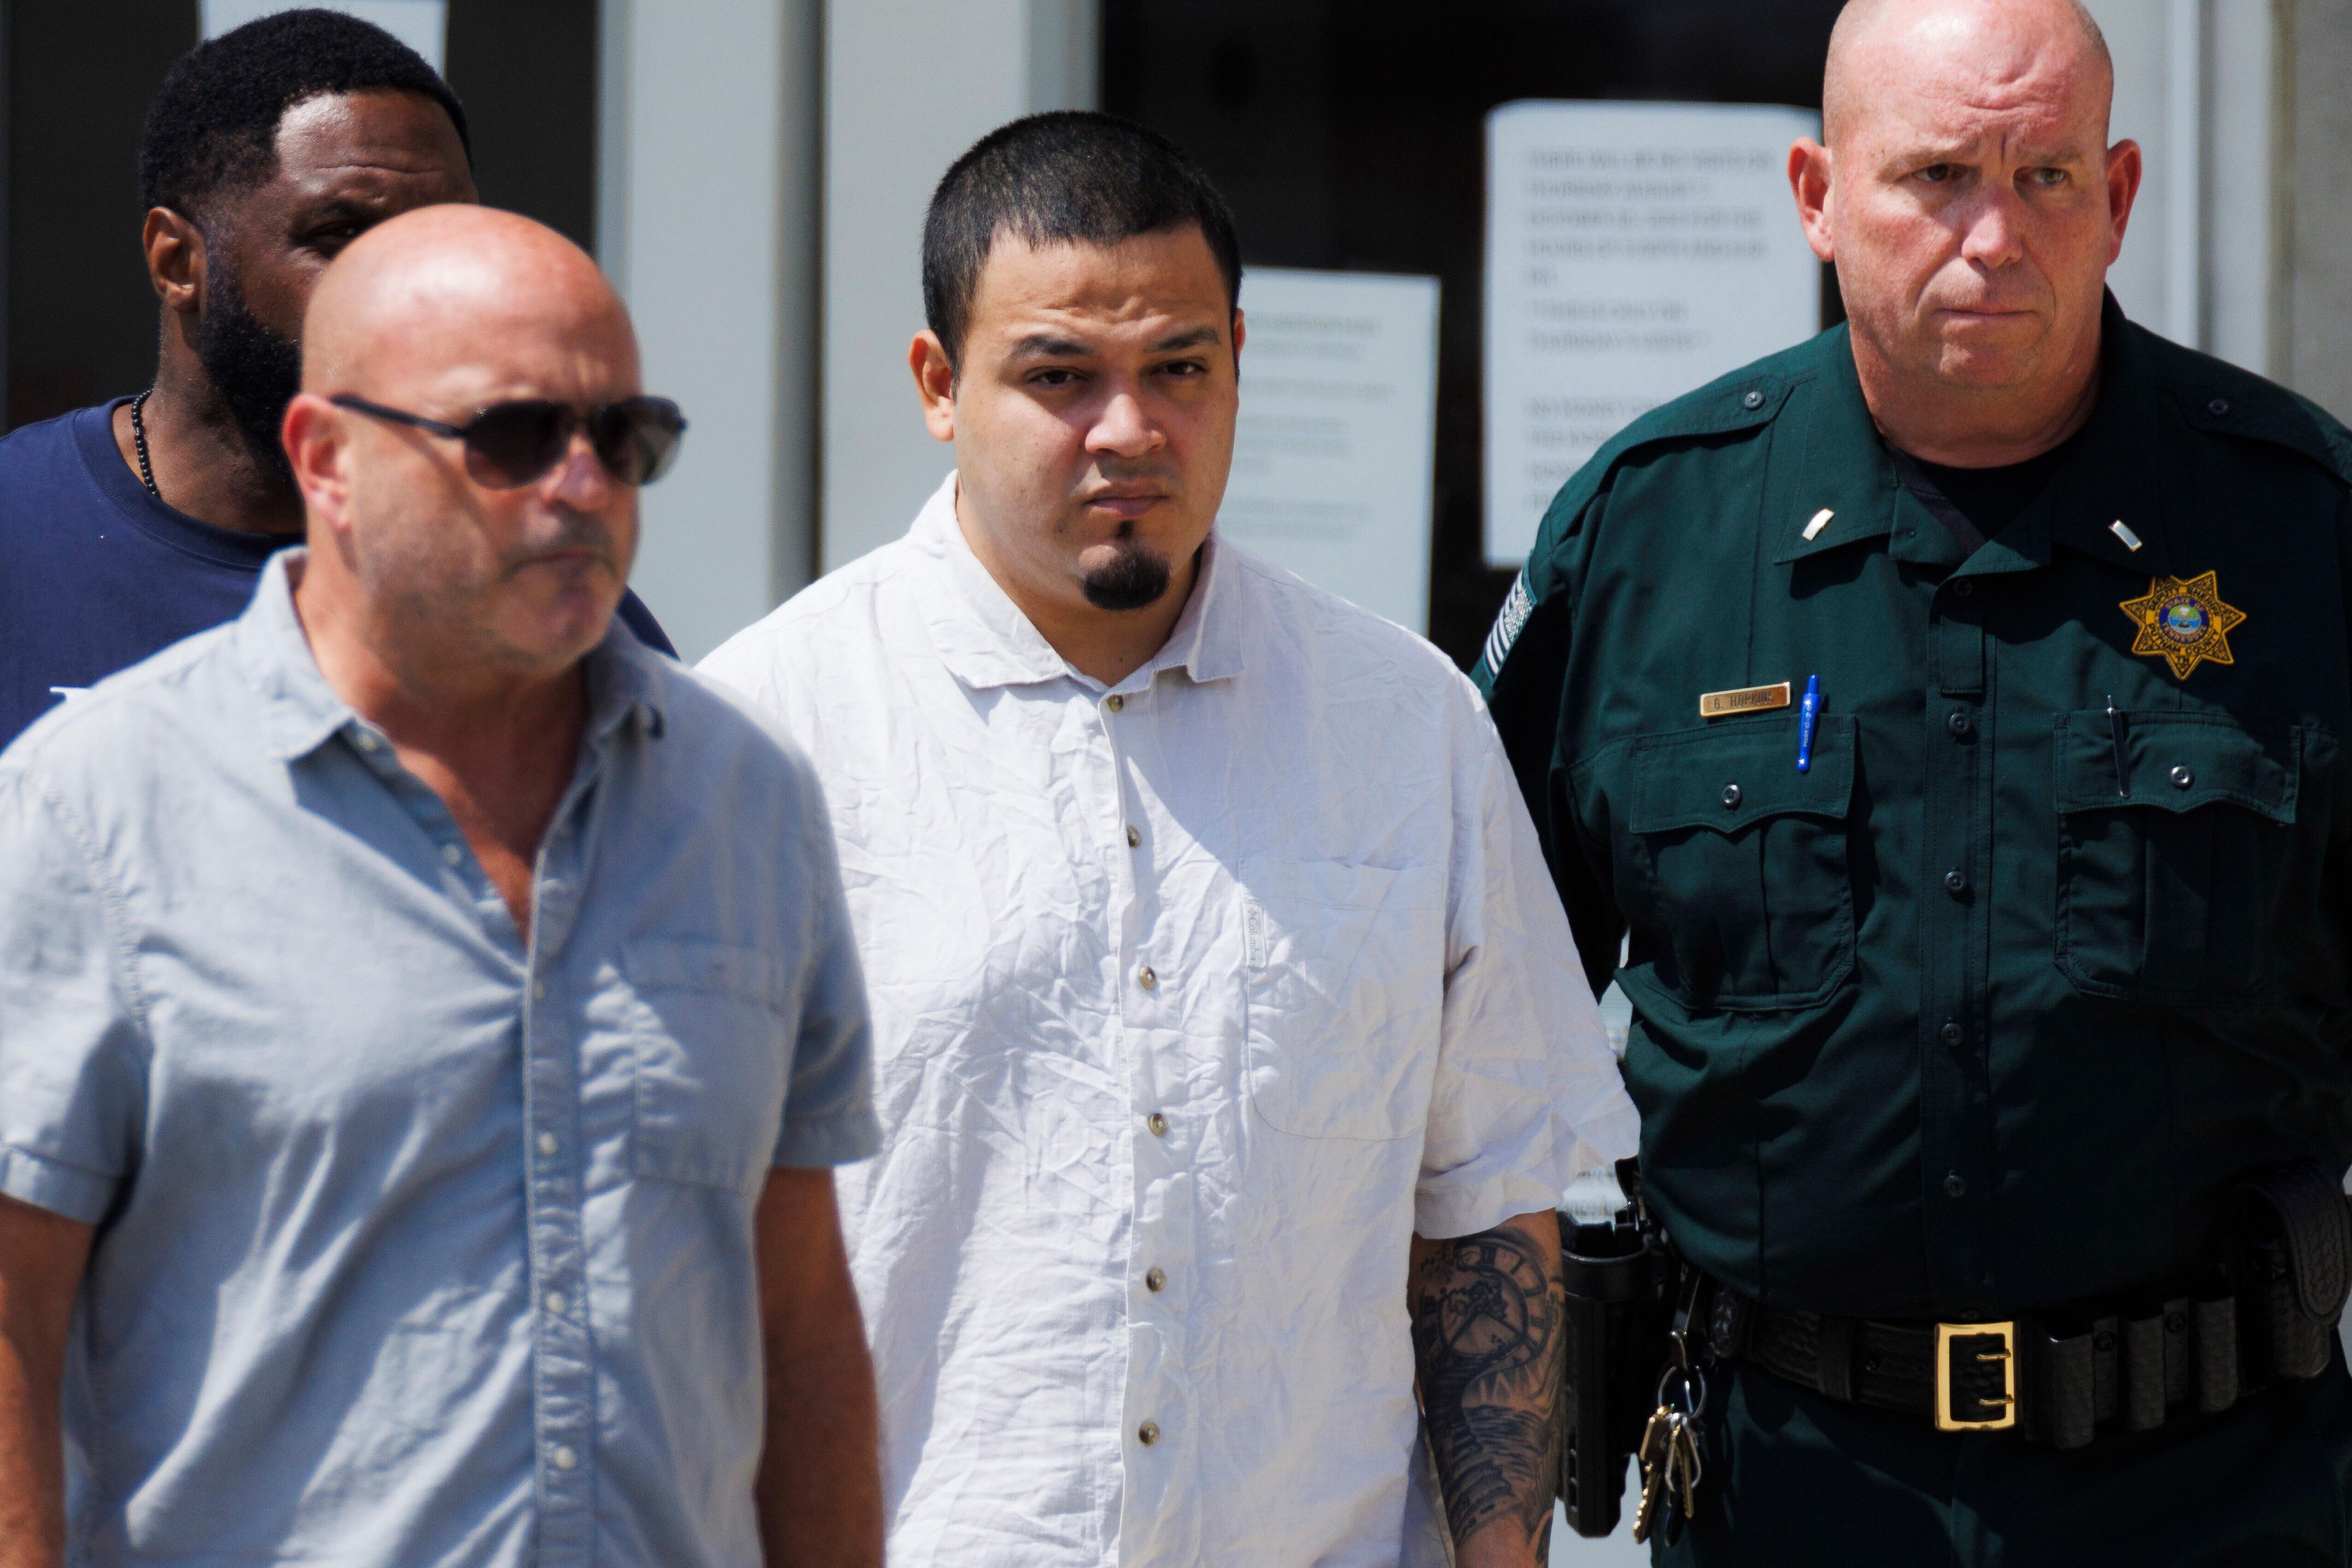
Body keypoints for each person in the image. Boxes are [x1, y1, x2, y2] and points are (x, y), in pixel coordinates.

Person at [700, 111, 1638, 1568]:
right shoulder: (764, 738)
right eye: (1059, 376)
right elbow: (675, 1249)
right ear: (940, 384)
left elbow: (1486, 1200)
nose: (1130, 429)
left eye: (1179, 368)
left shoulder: (1406, 726)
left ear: (1240, 362)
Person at [1477, 0, 2352, 1560]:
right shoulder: (1653, 541)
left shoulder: (2304, 531)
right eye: (1937, 174)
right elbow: (1463, 1048)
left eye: (2045, 177)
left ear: (2120, 197)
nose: (1992, 236)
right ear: (1818, 195)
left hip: (2212, 1494)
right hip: (1779, 1492)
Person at [0, 206, 881, 1567]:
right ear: (327, 457)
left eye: (624, 438)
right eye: (512, 435)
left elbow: (802, 1318)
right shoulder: (97, 807)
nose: (582, 484)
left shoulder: (745, 800)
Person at [0, 7, 670, 753]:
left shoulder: (541, 585)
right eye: (340, 236)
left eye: (440, 237)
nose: (412, 289)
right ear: (178, 262)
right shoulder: (19, 531)